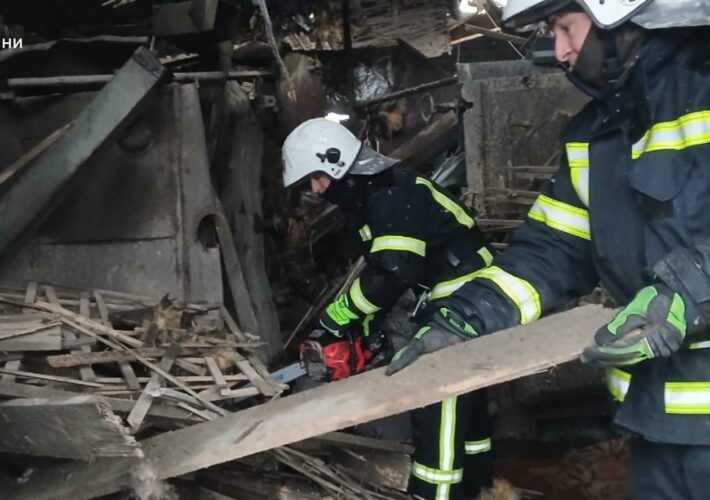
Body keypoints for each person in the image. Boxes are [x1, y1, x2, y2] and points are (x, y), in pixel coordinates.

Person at [386, 0, 710, 498]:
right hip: (657, 426)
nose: (558, 50)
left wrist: (687, 291)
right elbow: (550, 251)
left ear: (615, 13)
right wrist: (465, 319)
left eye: (565, 28)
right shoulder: (595, 136)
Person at [282, 117, 494, 499]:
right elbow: (384, 272)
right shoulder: (368, 201)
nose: (315, 189)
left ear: (337, 161)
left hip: (466, 294)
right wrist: (363, 324)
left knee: (438, 396)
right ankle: (480, 485)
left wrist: (336, 317)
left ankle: (433, 493)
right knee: (468, 403)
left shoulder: (390, 192)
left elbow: (395, 271)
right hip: (459, 292)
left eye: (317, 177)